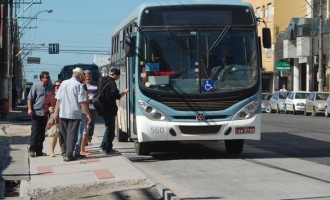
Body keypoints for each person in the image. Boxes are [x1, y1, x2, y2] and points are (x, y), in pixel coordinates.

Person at [54, 67, 92, 162]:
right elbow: (82, 102)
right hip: (74, 114)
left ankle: (65, 152)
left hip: (63, 113)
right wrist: (88, 114)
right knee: (72, 135)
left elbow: (58, 99)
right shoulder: (78, 85)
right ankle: (69, 155)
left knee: (65, 134)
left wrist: (56, 112)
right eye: (82, 76)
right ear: (79, 76)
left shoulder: (63, 83)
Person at [98, 67, 128, 155]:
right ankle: (104, 147)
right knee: (110, 129)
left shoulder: (102, 81)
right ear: (115, 75)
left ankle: (108, 147)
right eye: (118, 76)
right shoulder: (112, 84)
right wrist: (125, 92)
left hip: (102, 108)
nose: (118, 77)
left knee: (108, 128)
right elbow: (117, 96)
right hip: (109, 109)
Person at [27, 71, 53, 157]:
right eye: (46, 77)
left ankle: (39, 151)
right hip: (36, 112)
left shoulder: (50, 87)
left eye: (48, 77)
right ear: (42, 78)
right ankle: (32, 149)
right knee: (35, 132)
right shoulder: (36, 86)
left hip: (45, 114)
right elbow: (30, 98)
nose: (48, 79)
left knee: (42, 133)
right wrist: (30, 109)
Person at [44, 79, 64, 157]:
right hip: (52, 117)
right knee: (53, 134)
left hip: (62, 116)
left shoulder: (64, 94)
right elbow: (45, 104)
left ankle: (61, 150)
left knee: (62, 135)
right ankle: (52, 152)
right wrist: (49, 108)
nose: (57, 87)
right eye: (56, 85)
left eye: (59, 85)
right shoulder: (50, 95)